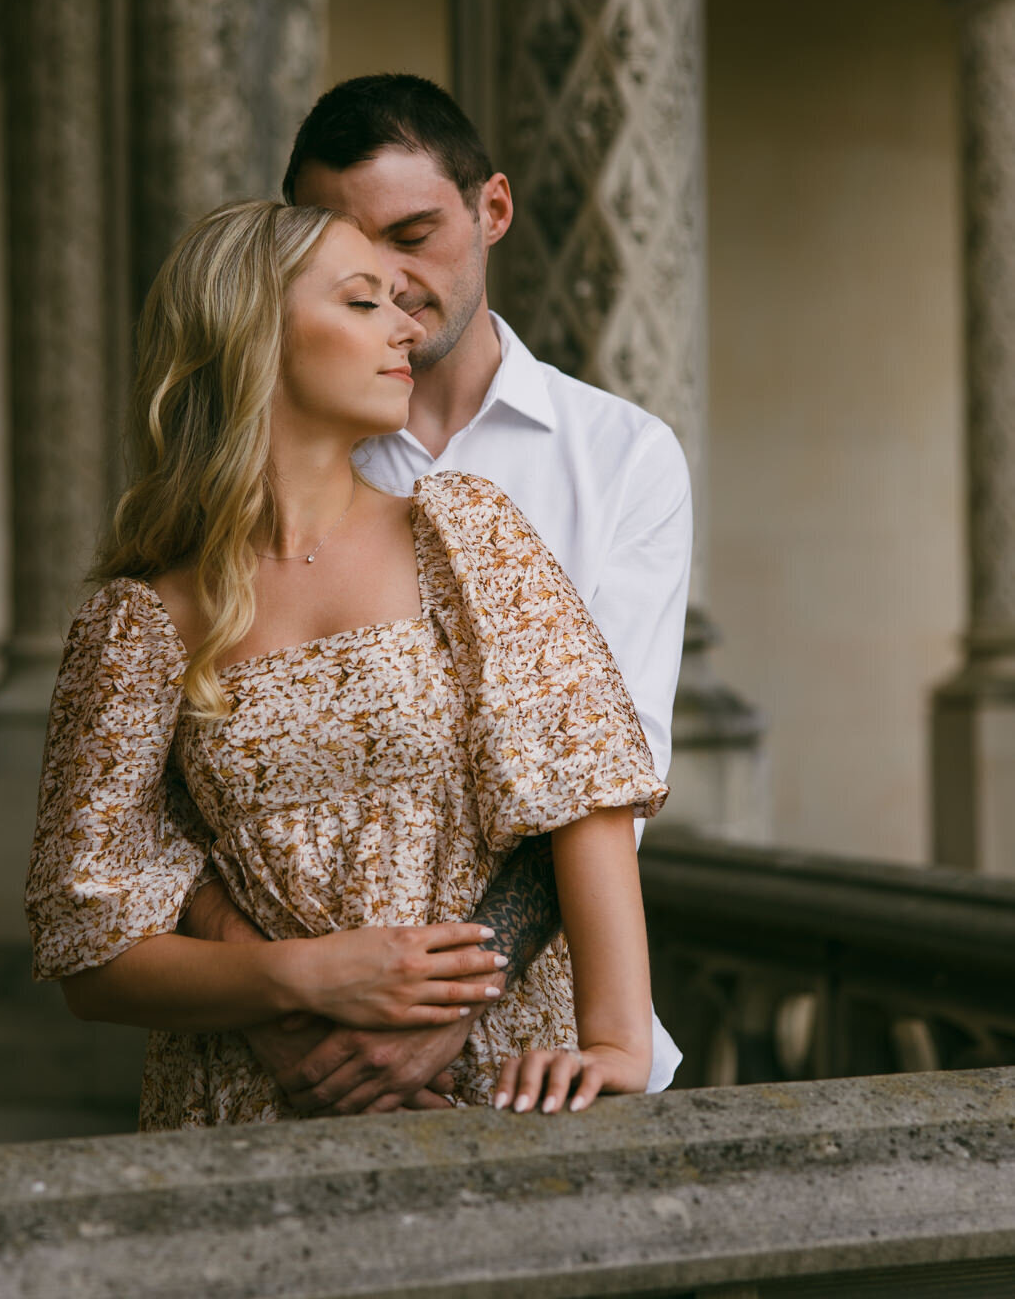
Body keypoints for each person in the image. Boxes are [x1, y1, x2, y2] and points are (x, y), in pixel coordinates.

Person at [25, 199, 666, 1129]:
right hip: (253, 1106)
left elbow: (586, 794)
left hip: (492, 1083)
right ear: (252, 334)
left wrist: (615, 1042)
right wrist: (310, 979)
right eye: (364, 303)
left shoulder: (465, 534)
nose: (409, 326)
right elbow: (89, 947)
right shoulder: (138, 622)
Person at [182, 75, 693, 1118]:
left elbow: (604, 776)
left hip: (533, 1052)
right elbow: (160, 813)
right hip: (281, 1052)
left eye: (414, 232)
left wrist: (446, 1004)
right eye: (348, 252)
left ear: (490, 210)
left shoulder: (620, 457)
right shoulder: (280, 462)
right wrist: (294, 1012)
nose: (389, 277)